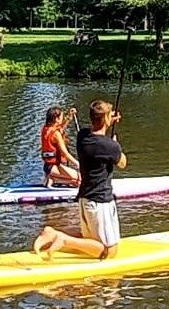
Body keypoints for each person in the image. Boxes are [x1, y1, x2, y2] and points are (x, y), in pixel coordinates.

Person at [33, 99, 127, 260]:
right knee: (108, 253)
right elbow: (123, 163)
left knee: (90, 240)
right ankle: (63, 239)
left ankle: (51, 233)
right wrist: (115, 144)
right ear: (105, 119)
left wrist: (107, 122)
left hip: (85, 199)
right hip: (100, 201)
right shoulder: (110, 146)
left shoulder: (82, 136)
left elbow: (96, 132)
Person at [41, 106, 80, 187]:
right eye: (61, 117)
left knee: (77, 180)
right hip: (53, 167)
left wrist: (70, 116)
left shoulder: (46, 128)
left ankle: (53, 178)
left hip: (48, 166)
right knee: (80, 180)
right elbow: (65, 153)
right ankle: (53, 178)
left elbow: (61, 127)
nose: (62, 119)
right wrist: (77, 163)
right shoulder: (56, 134)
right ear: (56, 119)